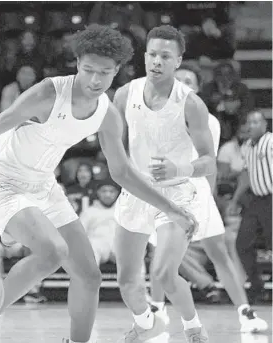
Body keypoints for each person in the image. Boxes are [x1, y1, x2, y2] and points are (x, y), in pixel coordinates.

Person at [0, 24, 197, 343]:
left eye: (105, 73)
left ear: (117, 71)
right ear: (77, 62)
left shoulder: (107, 115)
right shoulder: (47, 93)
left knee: (89, 274)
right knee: (52, 252)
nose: (95, 80)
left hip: (43, 186)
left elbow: (122, 173)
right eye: (88, 70)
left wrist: (173, 210)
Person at [112, 25, 218, 343]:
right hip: (136, 190)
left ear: (178, 61)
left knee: (163, 273)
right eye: (153, 54)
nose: (157, 61)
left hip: (177, 193)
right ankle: (148, 324)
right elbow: (116, 144)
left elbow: (209, 162)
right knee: (126, 280)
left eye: (165, 56)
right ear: (145, 56)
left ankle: (193, 329)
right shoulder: (123, 94)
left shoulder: (191, 104)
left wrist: (178, 167)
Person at [148, 64, 268, 333]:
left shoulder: (209, 121)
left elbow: (209, 165)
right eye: (177, 79)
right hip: (165, 194)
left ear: (197, 88)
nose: (182, 83)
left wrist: (210, 197)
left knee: (219, 254)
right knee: (158, 253)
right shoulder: (154, 117)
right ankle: (156, 309)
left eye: (188, 80)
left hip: (197, 192)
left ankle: (245, 313)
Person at [229, 110, 272, 303]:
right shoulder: (246, 146)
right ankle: (257, 286)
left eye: (257, 122)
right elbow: (245, 177)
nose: (253, 125)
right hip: (256, 201)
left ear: (264, 125)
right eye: (250, 122)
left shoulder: (270, 142)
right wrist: (235, 200)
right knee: (242, 244)